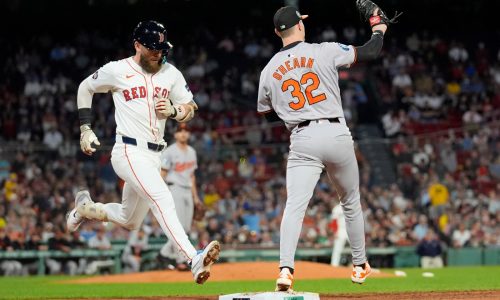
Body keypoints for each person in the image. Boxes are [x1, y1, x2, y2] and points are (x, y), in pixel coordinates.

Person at [65, 20, 220, 284]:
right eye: (152, 48)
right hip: (128, 150)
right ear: (137, 45)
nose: (158, 53)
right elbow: (84, 88)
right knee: (162, 197)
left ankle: (85, 209)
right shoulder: (117, 70)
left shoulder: (171, 73)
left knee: (130, 220)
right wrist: (85, 128)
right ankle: (193, 258)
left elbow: (190, 107)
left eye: (161, 48)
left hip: (154, 154)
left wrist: (174, 111)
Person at [257, 3, 392, 290]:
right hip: (335, 132)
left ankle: (284, 270)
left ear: (276, 32)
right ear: (301, 25)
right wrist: (379, 28)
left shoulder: (268, 70)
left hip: (302, 139)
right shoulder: (324, 50)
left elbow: (266, 113)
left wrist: (292, 112)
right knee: (350, 202)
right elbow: (369, 51)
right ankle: (359, 265)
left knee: (294, 207)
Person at [157, 123, 202, 271]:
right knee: (180, 228)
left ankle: (164, 253)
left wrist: (196, 197)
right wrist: (162, 194)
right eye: (180, 131)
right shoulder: (169, 151)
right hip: (174, 188)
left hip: (188, 190)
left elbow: (192, 176)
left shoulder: (192, 152)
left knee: (187, 228)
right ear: (175, 134)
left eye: (186, 131)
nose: (183, 133)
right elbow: (162, 174)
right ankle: (180, 260)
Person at [330, 202, 348, 267]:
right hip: (341, 230)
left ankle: (361, 265)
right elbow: (334, 221)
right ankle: (334, 266)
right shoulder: (337, 209)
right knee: (337, 249)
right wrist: (335, 232)